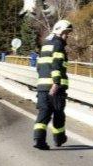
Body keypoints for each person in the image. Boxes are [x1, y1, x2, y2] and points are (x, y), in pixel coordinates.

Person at [33, 19, 73, 150]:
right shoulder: (58, 45)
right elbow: (57, 66)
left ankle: (38, 139)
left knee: (43, 113)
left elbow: (39, 67)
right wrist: (56, 83)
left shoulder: (46, 44)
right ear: (60, 32)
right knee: (58, 114)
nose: (67, 36)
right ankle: (59, 138)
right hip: (55, 88)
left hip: (42, 87)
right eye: (66, 33)